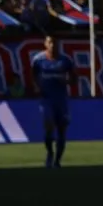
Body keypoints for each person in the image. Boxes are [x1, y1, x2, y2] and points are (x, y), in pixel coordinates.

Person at [31, 35, 75, 168]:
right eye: (50, 42)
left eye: (55, 42)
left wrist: (66, 81)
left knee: (62, 129)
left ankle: (57, 160)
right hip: (46, 99)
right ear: (45, 44)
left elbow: (74, 79)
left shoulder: (66, 60)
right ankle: (50, 152)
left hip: (61, 99)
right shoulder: (38, 60)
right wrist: (37, 87)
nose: (52, 45)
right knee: (49, 126)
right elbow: (33, 76)